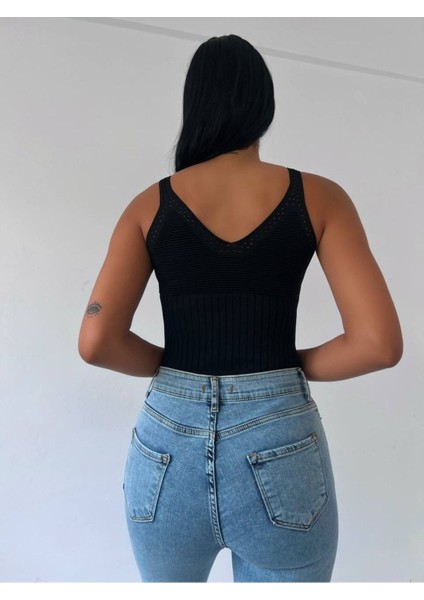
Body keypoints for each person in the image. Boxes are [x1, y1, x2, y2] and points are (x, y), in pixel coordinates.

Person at [78, 34, 403, 582]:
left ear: (194, 105)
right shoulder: (320, 198)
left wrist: (174, 368)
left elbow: (96, 342)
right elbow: (378, 344)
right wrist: (284, 368)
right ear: (263, 107)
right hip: (280, 438)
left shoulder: (148, 205)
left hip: (167, 446)